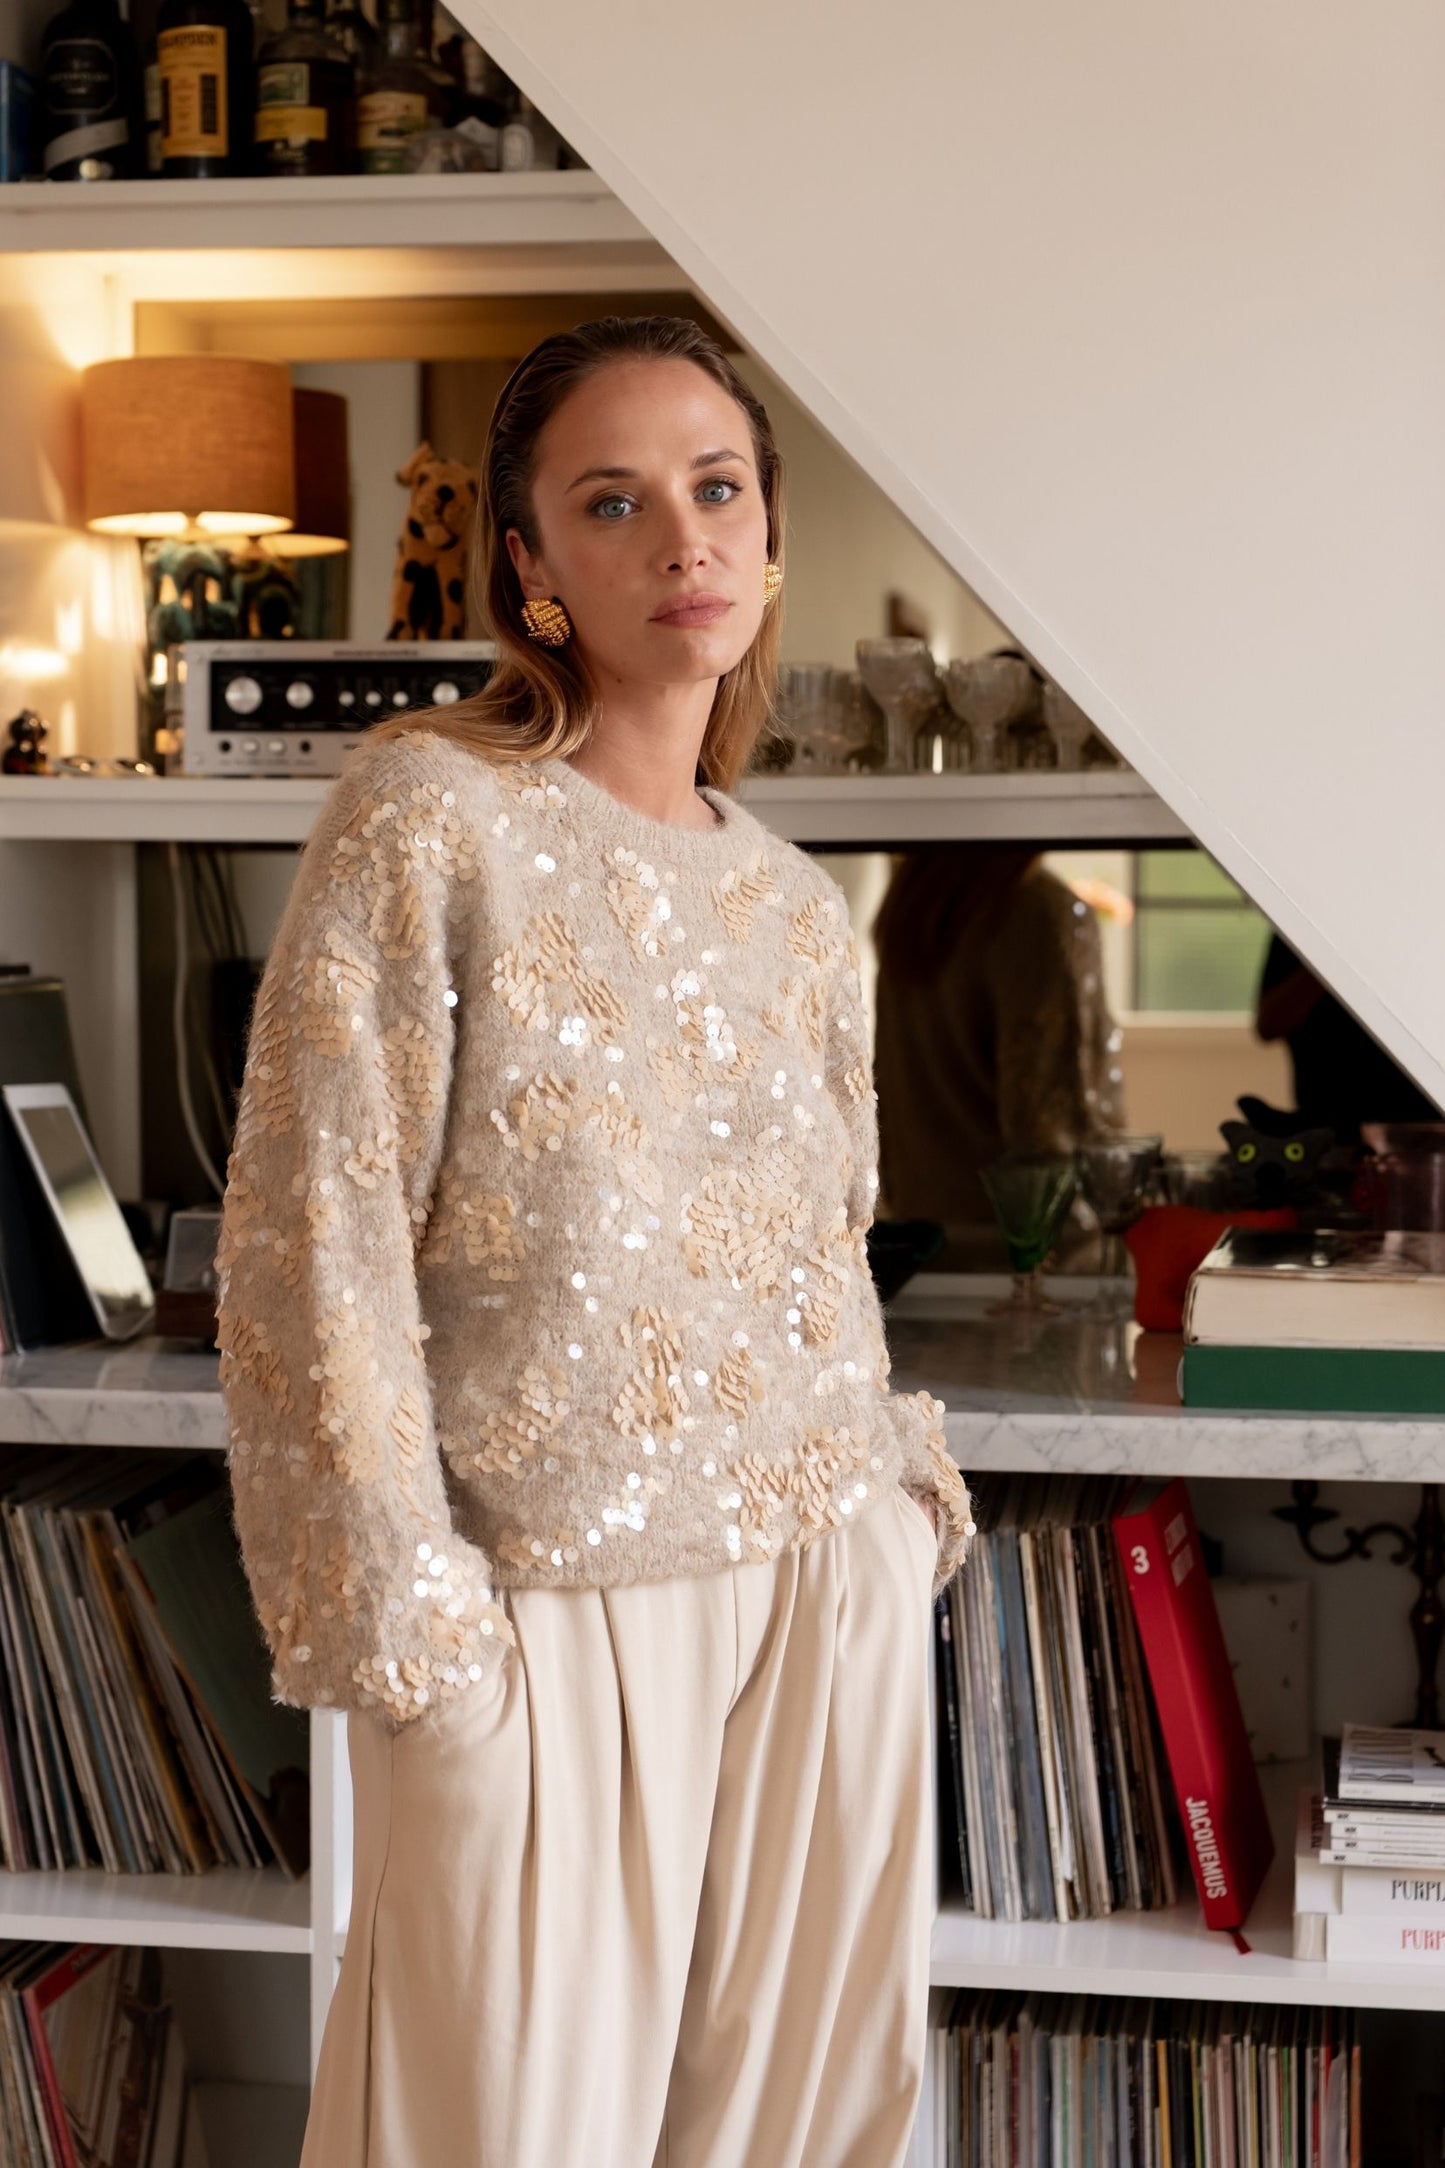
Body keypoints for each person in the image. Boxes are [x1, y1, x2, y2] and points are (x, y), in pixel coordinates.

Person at [215, 314, 976, 2168]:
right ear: (531, 564)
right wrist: (422, 1651)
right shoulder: (430, 817)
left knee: (798, 2141)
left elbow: (821, 1247)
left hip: (822, 1587)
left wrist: (894, 1519)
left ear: (771, 538)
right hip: (545, 1607)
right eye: (614, 501)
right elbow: (311, 1246)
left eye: (717, 490)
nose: (681, 539)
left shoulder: (795, 901)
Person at [870, 843, 1125, 1269]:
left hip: (924, 1242)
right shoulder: (1035, 911)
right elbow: (1053, 1121)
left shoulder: (919, 901)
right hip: (1032, 1256)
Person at [1254, 930, 1440, 1146]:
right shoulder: (1299, 928)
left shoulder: (1426, 930)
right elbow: (1269, 1025)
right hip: (1330, 1122)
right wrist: (1331, 960)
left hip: (1423, 1122)